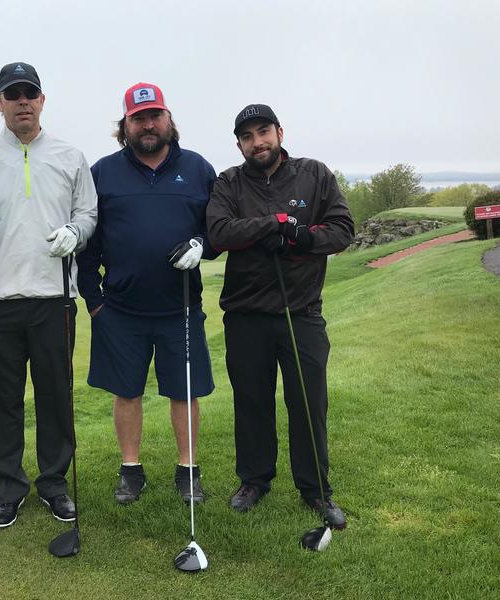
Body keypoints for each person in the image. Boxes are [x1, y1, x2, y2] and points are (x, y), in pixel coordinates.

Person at [206, 103, 354, 529]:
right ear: (239, 144)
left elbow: (342, 230)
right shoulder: (229, 182)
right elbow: (219, 232)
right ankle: (254, 481)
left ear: (279, 132)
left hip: (301, 312)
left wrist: (300, 237)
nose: (258, 142)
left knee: (308, 403)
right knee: (251, 402)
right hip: (246, 314)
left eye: (263, 132)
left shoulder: (314, 174)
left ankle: (316, 489)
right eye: (247, 137)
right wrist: (274, 224)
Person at [0, 62, 97, 529]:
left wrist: (76, 232)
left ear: (42, 100)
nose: (22, 102)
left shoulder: (70, 156)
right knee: (0, 401)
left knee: (55, 397)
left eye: (30, 94)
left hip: (53, 298)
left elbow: (88, 213)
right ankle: (7, 487)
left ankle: (54, 483)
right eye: (13, 94)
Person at [77, 82, 218, 505]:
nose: (148, 124)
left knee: (185, 391)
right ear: (125, 126)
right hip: (121, 309)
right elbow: (88, 242)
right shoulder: (103, 172)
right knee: (127, 392)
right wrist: (94, 302)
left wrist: (202, 245)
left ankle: (187, 470)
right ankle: (131, 470)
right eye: (138, 118)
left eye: (155, 115)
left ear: (168, 119)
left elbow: (217, 230)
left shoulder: (198, 168)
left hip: (181, 306)